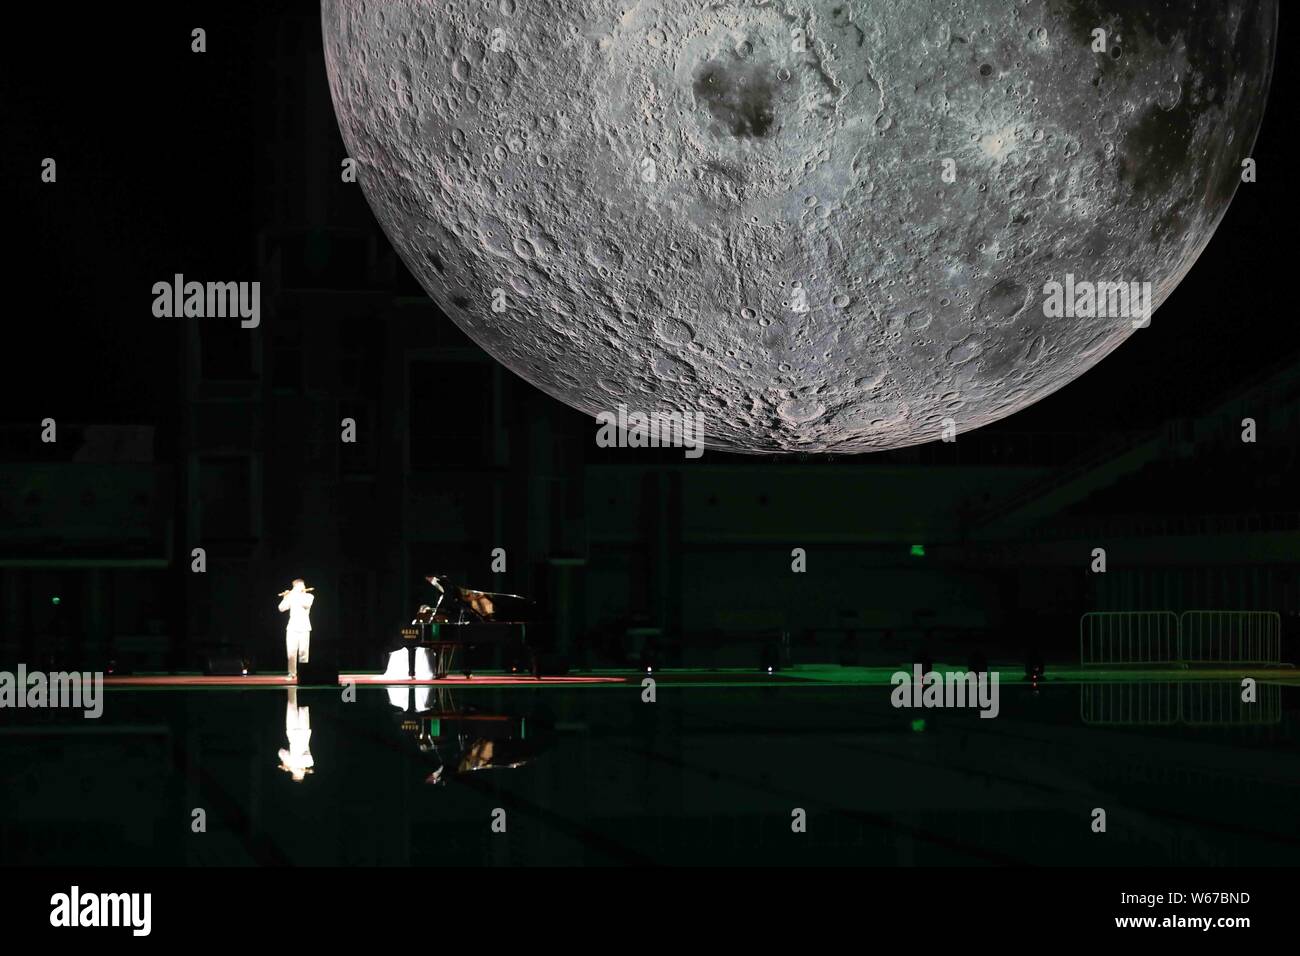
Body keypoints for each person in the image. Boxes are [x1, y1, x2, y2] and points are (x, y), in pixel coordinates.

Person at [277, 579, 315, 682]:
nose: (300, 587)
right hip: (292, 627)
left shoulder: (309, 596)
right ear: (294, 587)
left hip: (304, 627)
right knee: (291, 653)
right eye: (297, 586)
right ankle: (292, 673)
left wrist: (295, 595)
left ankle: (304, 674)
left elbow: (306, 605)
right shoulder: (291, 596)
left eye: (301, 585)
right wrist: (286, 597)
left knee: (303, 652)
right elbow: (281, 608)